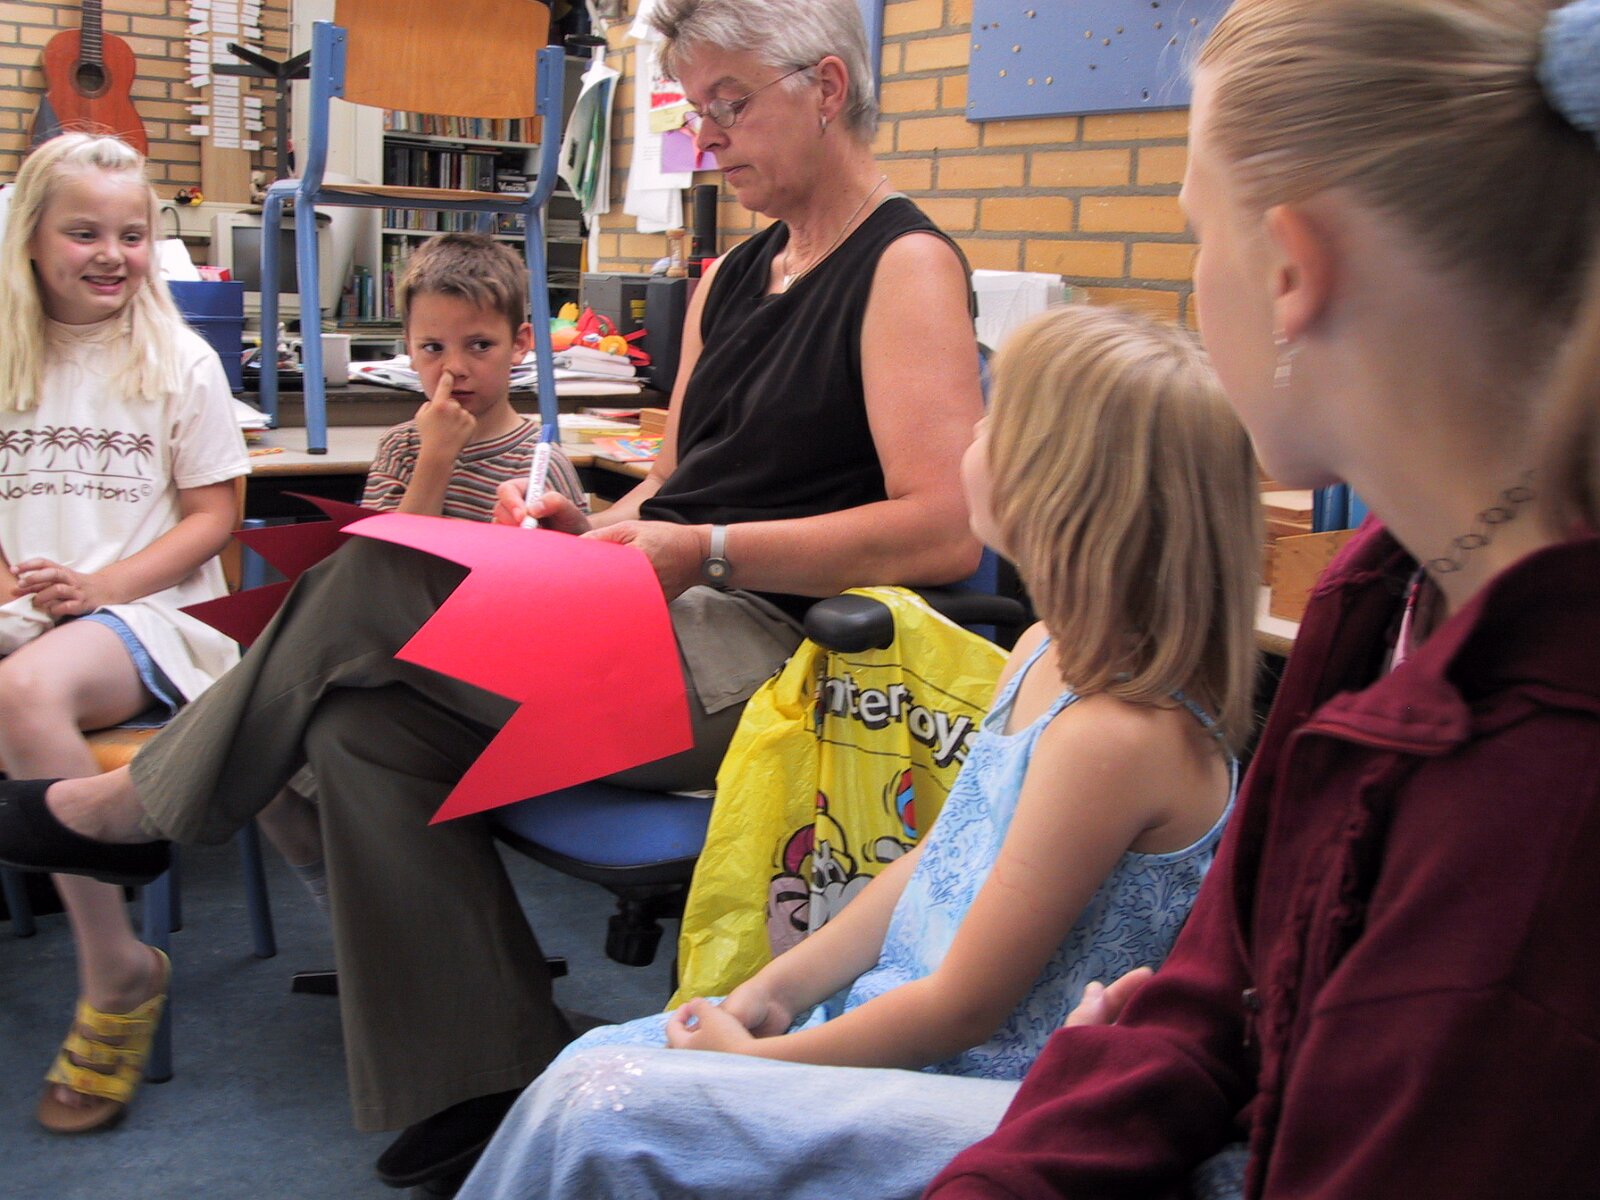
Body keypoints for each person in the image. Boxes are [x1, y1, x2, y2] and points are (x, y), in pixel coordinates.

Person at [0, 0, 984, 1187]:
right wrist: (588, 528)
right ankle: (483, 1078)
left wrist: (704, 551)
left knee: (385, 563)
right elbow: (675, 484)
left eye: (728, 105)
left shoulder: (903, 265)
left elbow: (943, 529)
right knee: (358, 725)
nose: (707, 137)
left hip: (774, 655)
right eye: (695, 110)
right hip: (662, 609)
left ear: (825, 90)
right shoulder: (735, 277)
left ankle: (137, 810)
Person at [925, 1, 1600, 1196]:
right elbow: (1211, 997)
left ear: (1290, 270)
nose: (1198, 283)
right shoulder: (1375, 587)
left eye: (1198, 233)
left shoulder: (1535, 816)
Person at [455, 302, 1264, 1200]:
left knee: (600, 1103)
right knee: (592, 1069)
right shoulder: (1044, 649)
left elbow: (963, 1010)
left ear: (1060, 490)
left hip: (987, 1092)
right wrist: (776, 990)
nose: (975, 434)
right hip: (902, 1025)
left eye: (997, 422)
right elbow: (940, 858)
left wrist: (764, 1067)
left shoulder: (1115, 736)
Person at [0, 133, 249, 1133]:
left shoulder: (179, 362)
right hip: (28, 613)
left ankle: (113, 966)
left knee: (25, 691)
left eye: (132, 234)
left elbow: (214, 517)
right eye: (84, 232)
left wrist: (97, 588)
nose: (112, 254)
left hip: (149, 618)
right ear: (31, 237)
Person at [253, 232, 588, 906]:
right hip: (389, 654)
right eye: (433, 347)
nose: (453, 369)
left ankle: (368, 896)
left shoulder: (541, 461)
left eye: (479, 345)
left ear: (522, 344)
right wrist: (434, 457)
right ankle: (341, 891)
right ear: (406, 348)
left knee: (290, 729)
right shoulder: (404, 448)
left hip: (476, 675)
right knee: (280, 755)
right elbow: (378, 572)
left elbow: (562, 610)